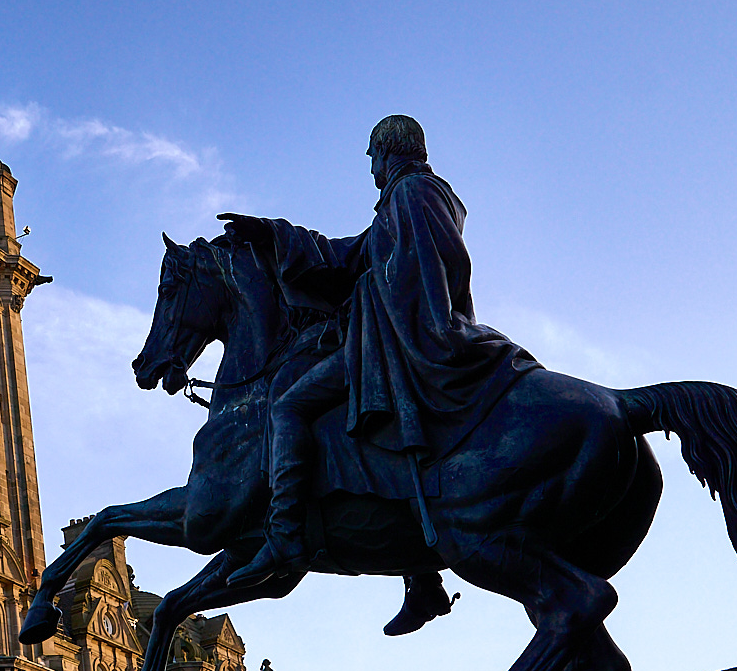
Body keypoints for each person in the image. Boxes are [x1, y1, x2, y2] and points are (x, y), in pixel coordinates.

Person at [225, 115, 538, 597]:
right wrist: (274, 234)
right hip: (397, 331)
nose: (371, 167)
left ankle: (284, 534)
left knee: (289, 406)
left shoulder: (412, 194)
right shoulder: (410, 198)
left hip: (405, 338)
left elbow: (418, 270)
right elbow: (352, 255)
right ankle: (421, 577)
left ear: (388, 151)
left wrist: (369, 295)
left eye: (372, 156)